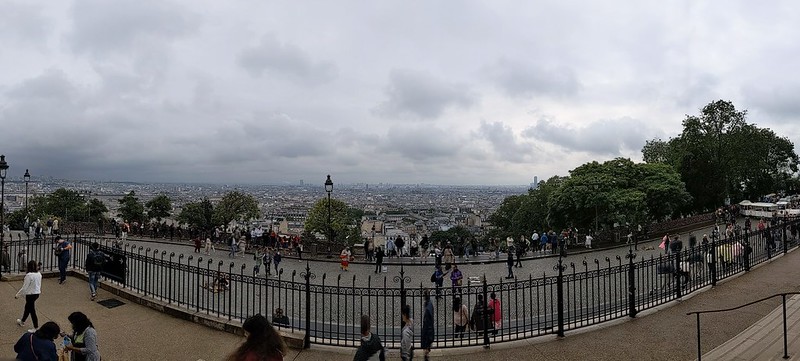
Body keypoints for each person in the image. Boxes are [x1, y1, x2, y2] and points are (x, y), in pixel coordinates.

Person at [16, 260, 42, 333]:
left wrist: (18, 294)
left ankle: (36, 327)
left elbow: (24, 287)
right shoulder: (39, 274)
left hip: (30, 294)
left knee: (32, 310)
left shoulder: (29, 275)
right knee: (28, 308)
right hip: (37, 293)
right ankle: (22, 321)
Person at [421, 290, 434, 361]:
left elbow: (428, 325)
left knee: (426, 353)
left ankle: (426, 355)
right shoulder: (429, 304)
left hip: (427, 333)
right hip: (428, 332)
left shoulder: (428, 308)